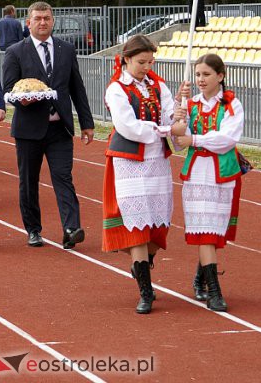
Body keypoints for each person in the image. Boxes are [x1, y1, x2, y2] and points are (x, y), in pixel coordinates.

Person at [2, 1, 95, 249]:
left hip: (60, 128)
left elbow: (77, 87)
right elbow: (9, 90)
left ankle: (71, 228)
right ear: (28, 23)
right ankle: (33, 229)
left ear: (53, 21)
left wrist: (86, 123)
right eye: (38, 18)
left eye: (47, 18)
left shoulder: (66, 49)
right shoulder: (15, 52)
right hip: (29, 129)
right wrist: (24, 101)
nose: (43, 22)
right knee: (29, 181)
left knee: (63, 177)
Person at [101, 35, 179, 314]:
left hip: (156, 159)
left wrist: (177, 119)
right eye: (141, 62)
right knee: (136, 223)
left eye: (150, 61)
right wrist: (162, 130)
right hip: (130, 161)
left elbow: (169, 116)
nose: (147, 67)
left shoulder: (158, 86)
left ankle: (142, 264)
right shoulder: (116, 89)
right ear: (127, 59)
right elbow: (127, 126)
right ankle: (145, 289)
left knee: (158, 221)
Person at [171, 53, 244, 312]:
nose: (201, 80)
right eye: (198, 75)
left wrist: (196, 140)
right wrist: (176, 120)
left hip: (221, 174)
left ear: (220, 76)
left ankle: (201, 279)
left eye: (207, 74)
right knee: (205, 232)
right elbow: (178, 143)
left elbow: (227, 139)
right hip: (196, 174)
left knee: (213, 232)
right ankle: (214, 291)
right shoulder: (188, 104)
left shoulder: (231, 105)